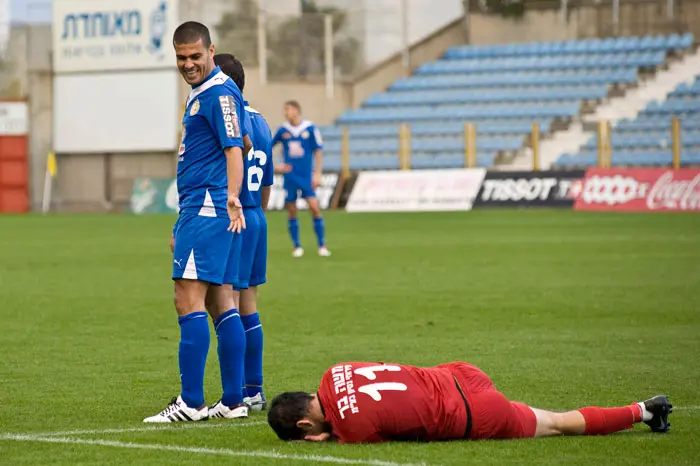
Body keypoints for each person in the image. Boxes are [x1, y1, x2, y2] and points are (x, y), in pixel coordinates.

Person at [144, 21, 249, 423]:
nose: (188, 64)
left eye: (195, 56)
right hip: (202, 208)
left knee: (186, 298)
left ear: (211, 50)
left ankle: (190, 402)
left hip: (207, 209)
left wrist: (233, 197)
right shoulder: (206, 92)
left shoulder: (218, 91)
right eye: (181, 57)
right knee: (221, 301)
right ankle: (234, 401)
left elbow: (235, 148)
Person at [267, 361, 672, 442]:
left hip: (475, 415)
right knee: (552, 419)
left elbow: (356, 423)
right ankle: (646, 412)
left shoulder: (350, 432)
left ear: (305, 426)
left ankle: (643, 410)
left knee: (558, 422)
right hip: (461, 374)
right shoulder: (334, 369)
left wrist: (333, 436)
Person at [213, 53, 273, 412]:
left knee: (227, 304)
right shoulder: (263, 122)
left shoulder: (226, 118)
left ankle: (232, 395)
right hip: (256, 215)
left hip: (231, 216)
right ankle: (254, 389)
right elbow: (267, 180)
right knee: (249, 304)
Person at [271, 101, 330, 258]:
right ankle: (297, 246)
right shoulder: (283, 130)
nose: (285, 113)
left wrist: (317, 174)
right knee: (291, 210)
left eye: (288, 110)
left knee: (315, 208)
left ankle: (322, 245)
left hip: (306, 175)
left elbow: (318, 150)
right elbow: (267, 146)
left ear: (296, 110)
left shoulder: (310, 129)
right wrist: (276, 166)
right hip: (290, 176)